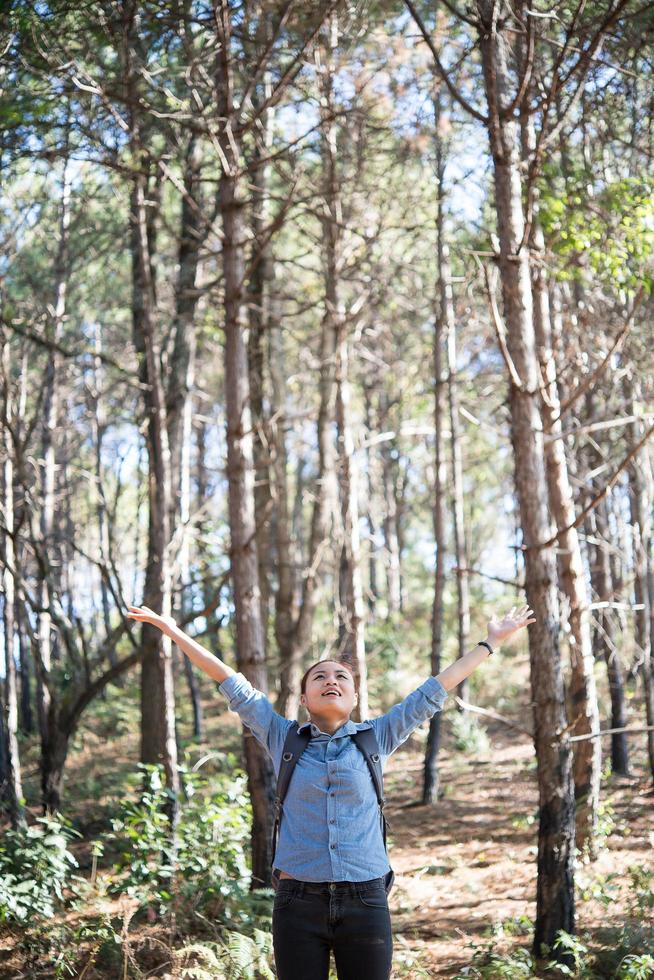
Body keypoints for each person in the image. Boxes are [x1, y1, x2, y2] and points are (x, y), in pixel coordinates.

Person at [126, 603, 535, 979]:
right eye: (319, 676)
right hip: (297, 903)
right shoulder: (282, 736)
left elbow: (435, 688)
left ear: (354, 697)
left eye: (341, 676)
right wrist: (172, 630)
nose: (331, 680)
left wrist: (492, 642)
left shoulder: (378, 735)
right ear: (304, 698)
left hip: (367, 900)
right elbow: (230, 681)